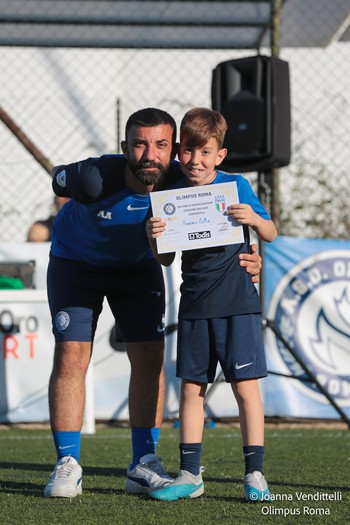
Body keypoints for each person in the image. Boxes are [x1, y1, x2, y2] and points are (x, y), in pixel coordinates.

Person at [43, 107, 263, 499]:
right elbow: (58, 178)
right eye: (140, 144)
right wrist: (67, 178)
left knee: (149, 358)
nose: (150, 154)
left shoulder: (188, 180)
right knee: (72, 355)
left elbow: (233, 218)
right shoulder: (96, 177)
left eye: (162, 145)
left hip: (137, 268)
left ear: (175, 149)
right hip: (75, 264)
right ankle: (68, 463)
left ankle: (142, 462)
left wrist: (251, 253)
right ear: (125, 147)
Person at [146, 107, 277, 502]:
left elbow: (270, 232)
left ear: (220, 155)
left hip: (238, 302)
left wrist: (253, 218)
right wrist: (155, 236)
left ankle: (255, 475)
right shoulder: (168, 193)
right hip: (195, 304)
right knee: (191, 390)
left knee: (246, 389)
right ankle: (189, 475)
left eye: (205, 153)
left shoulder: (236, 186)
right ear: (178, 152)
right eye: (187, 151)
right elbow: (166, 258)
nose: (195, 161)